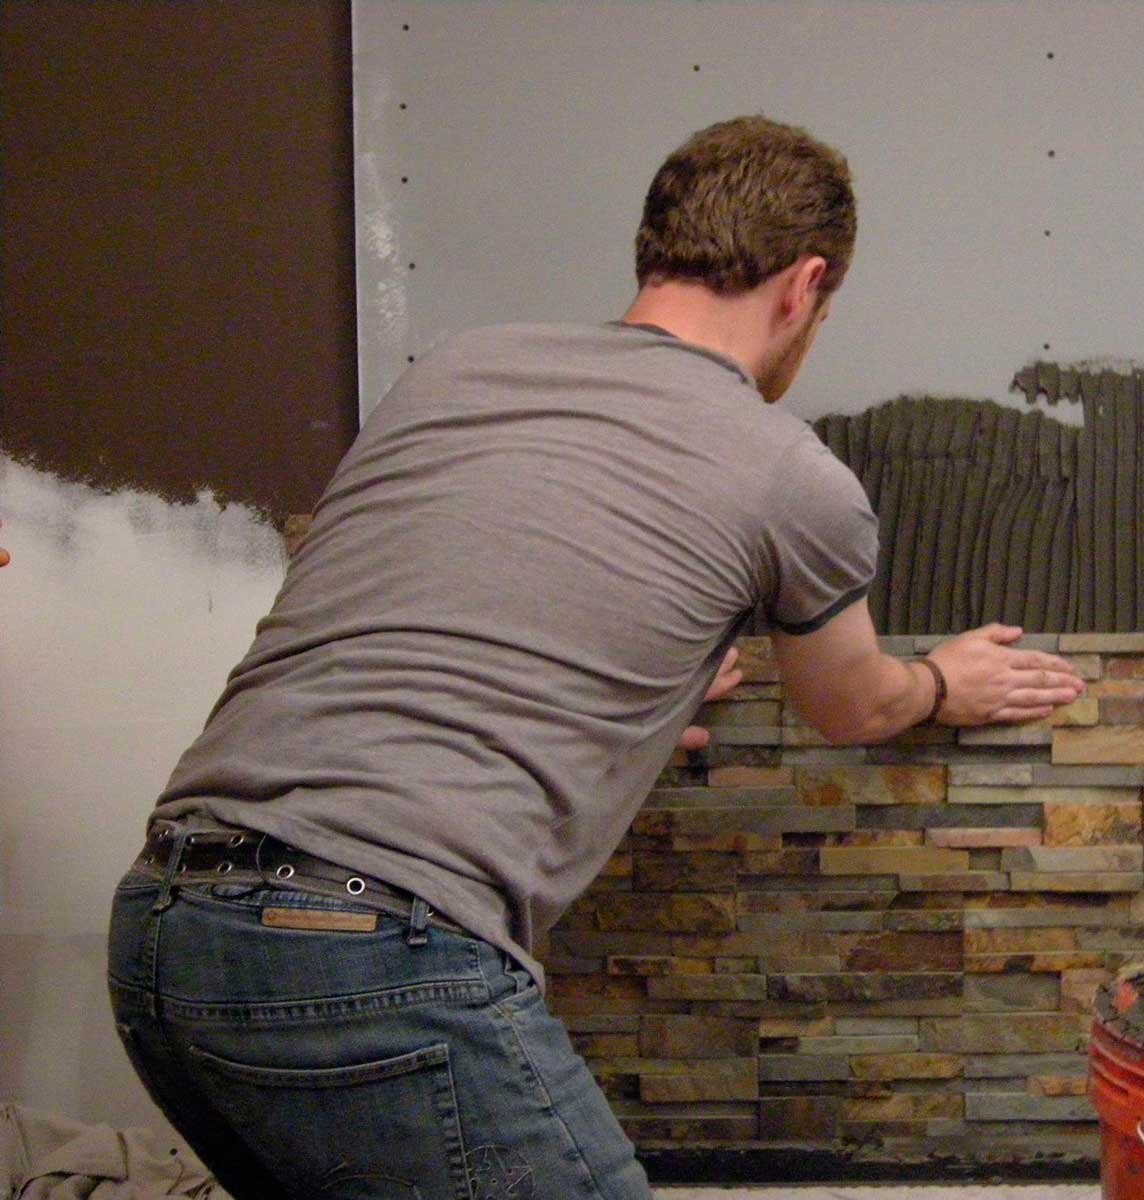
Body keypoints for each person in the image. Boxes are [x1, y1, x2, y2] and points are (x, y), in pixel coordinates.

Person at [106, 116, 1085, 1200]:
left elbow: (440, 592)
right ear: (804, 286)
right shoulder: (788, 474)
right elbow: (850, 706)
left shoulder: (459, 373)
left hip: (162, 930)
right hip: (359, 952)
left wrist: (635, 679)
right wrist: (947, 681)